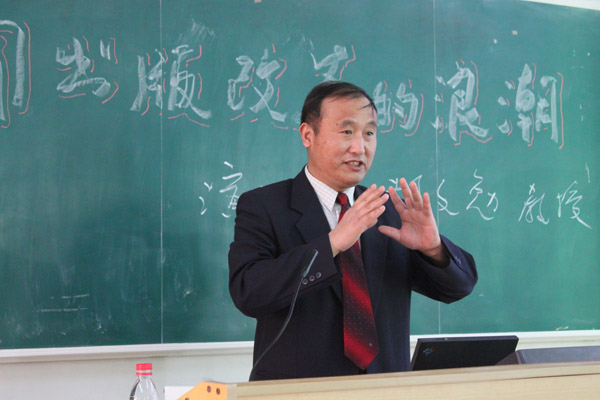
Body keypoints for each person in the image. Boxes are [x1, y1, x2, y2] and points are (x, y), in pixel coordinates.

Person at [228, 81, 477, 381]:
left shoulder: (388, 212)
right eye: (346, 131)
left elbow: (459, 287)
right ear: (308, 135)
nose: (360, 147)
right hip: (300, 391)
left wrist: (433, 248)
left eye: (369, 133)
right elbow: (248, 291)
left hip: (384, 389)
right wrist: (332, 243)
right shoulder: (264, 206)